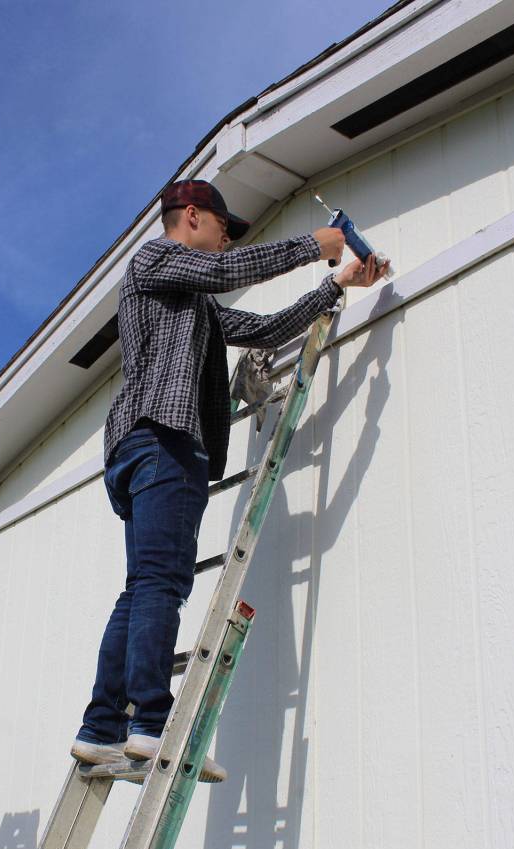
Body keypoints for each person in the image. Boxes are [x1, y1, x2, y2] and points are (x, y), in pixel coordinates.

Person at [71, 179, 387, 781]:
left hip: (144, 446)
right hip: (163, 440)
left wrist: (336, 284)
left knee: (141, 587)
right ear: (191, 217)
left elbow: (265, 329)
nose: (224, 243)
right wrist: (313, 245)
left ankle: (101, 728)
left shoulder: (193, 300)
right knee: (162, 583)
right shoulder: (156, 258)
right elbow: (231, 268)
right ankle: (150, 726)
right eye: (221, 228)